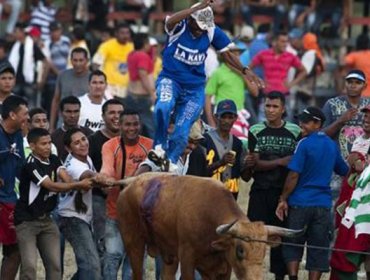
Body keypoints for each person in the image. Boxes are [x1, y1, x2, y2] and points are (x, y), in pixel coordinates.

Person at [150, 0, 263, 172]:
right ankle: (158, 147)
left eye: (205, 25)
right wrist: (194, 9)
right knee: (162, 107)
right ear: (190, 19)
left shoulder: (210, 30)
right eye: (198, 24)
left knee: (182, 128)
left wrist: (245, 69)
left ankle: (171, 161)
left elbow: (227, 54)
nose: (201, 29)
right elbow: (170, 20)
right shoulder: (178, 26)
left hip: (194, 89)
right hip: (171, 80)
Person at [275, 106, 349, 280]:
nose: (301, 124)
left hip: (300, 202)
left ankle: (293, 277)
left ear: (317, 124)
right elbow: (344, 170)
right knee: (319, 247)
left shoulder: (304, 143)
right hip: (323, 205)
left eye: (306, 122)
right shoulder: (331, 145)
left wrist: (283, 198)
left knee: (293, 242)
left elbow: (293, 175)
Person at [14, 128, 93, 280]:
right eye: (43, 144)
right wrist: (78, 185)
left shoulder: (54, 159)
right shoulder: (31, 164)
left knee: (55, 266)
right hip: (26, 222)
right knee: (29, 267)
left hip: (47, 220)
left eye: (49, 143)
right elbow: (51, 186)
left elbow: (66, 177)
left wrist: (76, 183)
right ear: (32, 146)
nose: (48, 147)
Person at [245, 91, 301, 280]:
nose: (270, 110)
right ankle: (252, 275)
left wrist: (273, 163)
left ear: (283, 109)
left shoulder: (295, 131)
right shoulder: (255, 130)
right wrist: (281, 161)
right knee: (254, 239)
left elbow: (296, 165)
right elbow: (255, 165)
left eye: (275, 106)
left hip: (283, 194)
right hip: (260, 192)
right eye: (267, 106)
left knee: (281, 240)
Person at [100, 110, 152, 280]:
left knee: (135, 261)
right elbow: (107, 168)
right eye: (128, 124)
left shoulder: (150, 145)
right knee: (112, 256)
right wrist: (105, 177)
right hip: (115, 212)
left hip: (141, 217)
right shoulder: (110, 145)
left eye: (135, 124)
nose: (132, 128)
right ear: (120, 126)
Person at [58, 128, 109, 280]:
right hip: (72, 219)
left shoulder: (85, 159)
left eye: (83, 139)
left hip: (81, 217)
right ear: (68, 148)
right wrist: (99, 177)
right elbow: (87, 175)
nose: (82, 144)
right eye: (76, 143)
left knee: (91, 264)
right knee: (90, 265)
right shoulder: (74, 164)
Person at [330, 105, 370, 280]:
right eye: (366, 116)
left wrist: (361, 164)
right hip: (354, 201)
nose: (366, 119)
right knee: (347, 251)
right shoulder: (359, 140)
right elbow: (355, 168)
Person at [88, 98, 124, 274]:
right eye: (112, 113)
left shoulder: (132, 138)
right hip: (99, 200)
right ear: (103, 116)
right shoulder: (93, 141)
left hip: (125, 201)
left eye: (120, 113)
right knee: (103, 247)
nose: (116, 117)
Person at [322, 69, 370, 200]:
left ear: (364, 86)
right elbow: (320, 136)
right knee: (336, 203)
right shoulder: (332, 104)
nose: (353, 85)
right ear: (345, 83)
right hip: (337, 167)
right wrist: (340, 121)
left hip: (364, 166)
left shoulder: (368, 105)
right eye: (349, 82)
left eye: (357, 82)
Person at [0, 95, 28, 280]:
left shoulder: (18, 135)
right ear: (12, 114)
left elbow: (21, 167)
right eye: (24, 113)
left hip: (9, 199)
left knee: (14, 250)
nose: (27, 117)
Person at [203, 99, 248, 200]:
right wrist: (220, 163)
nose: (227, 121)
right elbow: (198, 173)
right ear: (216, 117)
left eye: (230, 117)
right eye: (223, 117)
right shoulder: (205, 140)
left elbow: (245, 177)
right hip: (208, 197)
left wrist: (249, 165)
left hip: (231, 199)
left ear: (235, 118)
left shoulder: (238, 143)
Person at [50, 47, 91, 131]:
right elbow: (56, 100)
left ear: (86, 61)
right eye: (75, 60)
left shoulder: (93, 79)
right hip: (63, 122)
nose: (78, 63)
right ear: (71, 60)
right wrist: (51, 126)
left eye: (81, 60)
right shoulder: (62, 75)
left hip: (84, 122)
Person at [8, 23, 47, 107]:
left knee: (31, 108)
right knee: (15, 107)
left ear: (22, 32)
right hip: (16, 82)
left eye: (16, 31)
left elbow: (45, 61)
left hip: (29, 83)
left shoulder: (32, 45)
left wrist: (42, 80)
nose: (15, 34)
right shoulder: (16, 46)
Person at [125, 32, 156, 138]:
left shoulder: (131, 54)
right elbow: (142, 74)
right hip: (141, 98)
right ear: (145, 43)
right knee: (152, 128)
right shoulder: (143, 56)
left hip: (131, 95)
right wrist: (152, 93)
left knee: (134, 126)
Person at [92, 23, 133, 99]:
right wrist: (99, 83)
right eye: (122, 33)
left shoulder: (132, 47)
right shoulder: (106, 46)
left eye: (127, 33)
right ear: (116, 34)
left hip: (127, 88)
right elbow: (96, 63)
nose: (125, 35)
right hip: (110, 88)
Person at [51, 96, 93, 162]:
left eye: (76, 111)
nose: (72, 115)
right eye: (68, 112)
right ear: (61, 113)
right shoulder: (53, 137)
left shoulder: (90, 134)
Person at [42, 21, 71, 116]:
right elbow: (48, 61)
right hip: (52, 80)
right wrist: (59, 74)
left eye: (57, 30)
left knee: (65, 104)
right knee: (52, 103)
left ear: (60, 30)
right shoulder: (47, 43)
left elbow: (70, 57)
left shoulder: (66, 40)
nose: (55, 33)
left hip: (67, 77)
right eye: (53, 31)